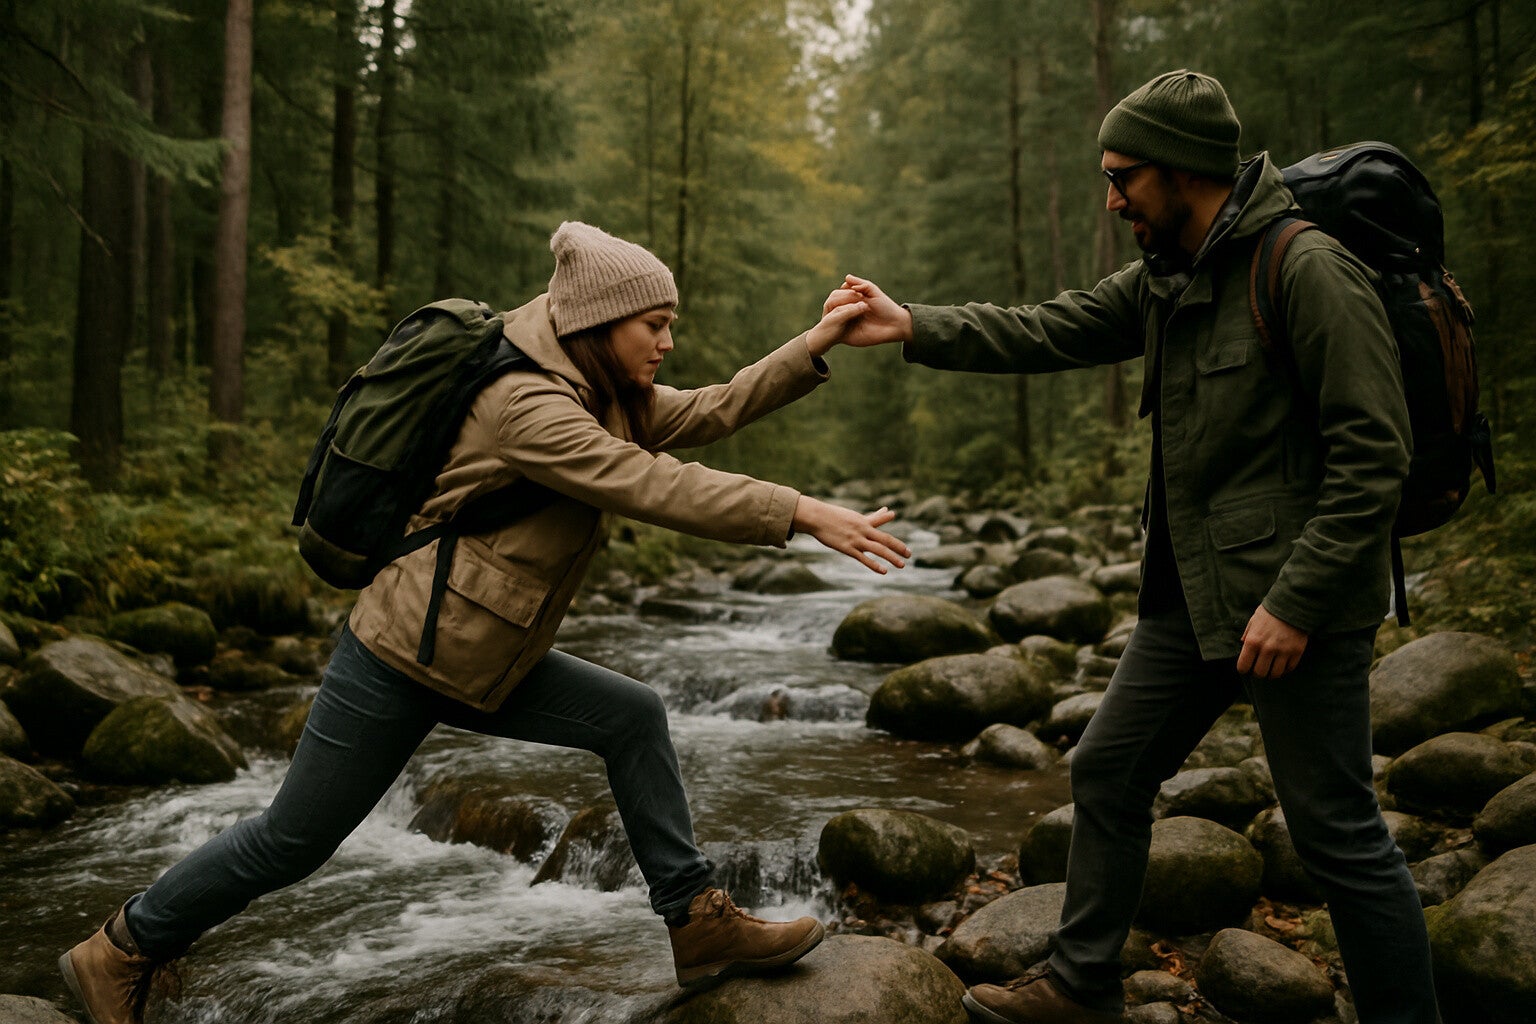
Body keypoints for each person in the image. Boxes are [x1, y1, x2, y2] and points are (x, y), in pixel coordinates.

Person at [59, 221, 911, 1024]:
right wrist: (800, 510)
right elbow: (654, 484)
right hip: (402, 655)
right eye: (655, 323)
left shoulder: (600, 385)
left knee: (632, 716)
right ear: (603, 320)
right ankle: (120, 948)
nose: (668, 342)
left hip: (483, 653)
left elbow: (709, 410)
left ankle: (697, 925)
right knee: (293, 839)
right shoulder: (526, 406)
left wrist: (816, 343)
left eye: (669, 324)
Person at [825, 71, 1439, 1024]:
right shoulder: (1171, 272)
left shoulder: (1306, 268)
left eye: (1124, 178)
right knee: (1108, 767)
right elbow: (1051, 326)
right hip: (1192, 593)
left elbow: (1376, 456)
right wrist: (912, 324)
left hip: (1294, 608)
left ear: (1185, 171)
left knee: (1338, 838)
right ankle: (1081, 984)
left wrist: (1296, 602)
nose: (1112, 200)